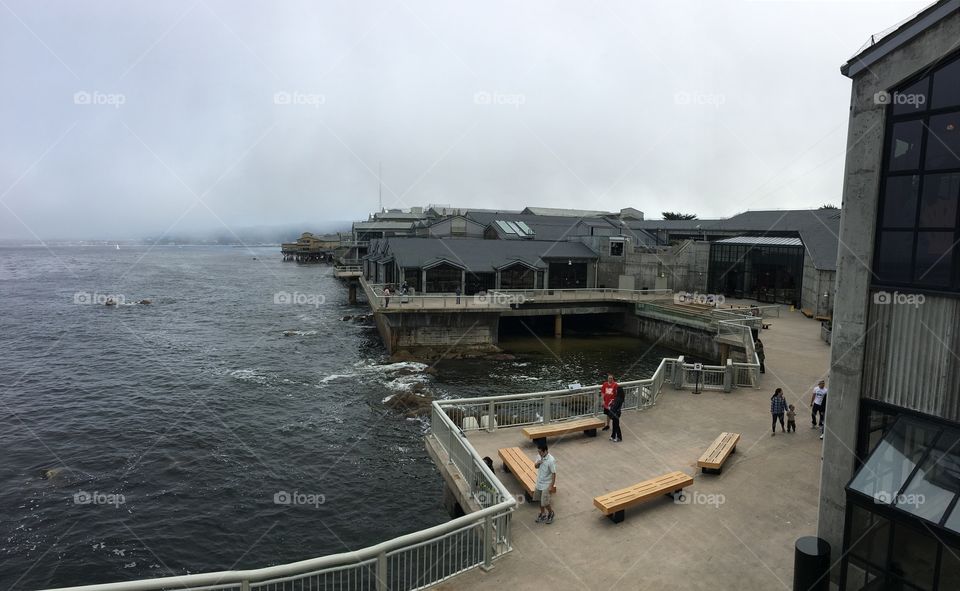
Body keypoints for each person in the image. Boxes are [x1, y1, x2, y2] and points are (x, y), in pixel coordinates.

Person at [534, 445, 556, 524]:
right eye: (538, 452)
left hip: (547, 484)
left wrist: (551, 486)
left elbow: (553, 473)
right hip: (539, 482)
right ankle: (543, 513)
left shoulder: (551, 460)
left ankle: (551, 513)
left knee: (545, 502)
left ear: (545, 451)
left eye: (540, 452)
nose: (539, 454)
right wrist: (538, 463)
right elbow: (535, 466)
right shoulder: (538, 457)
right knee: (540, 500)